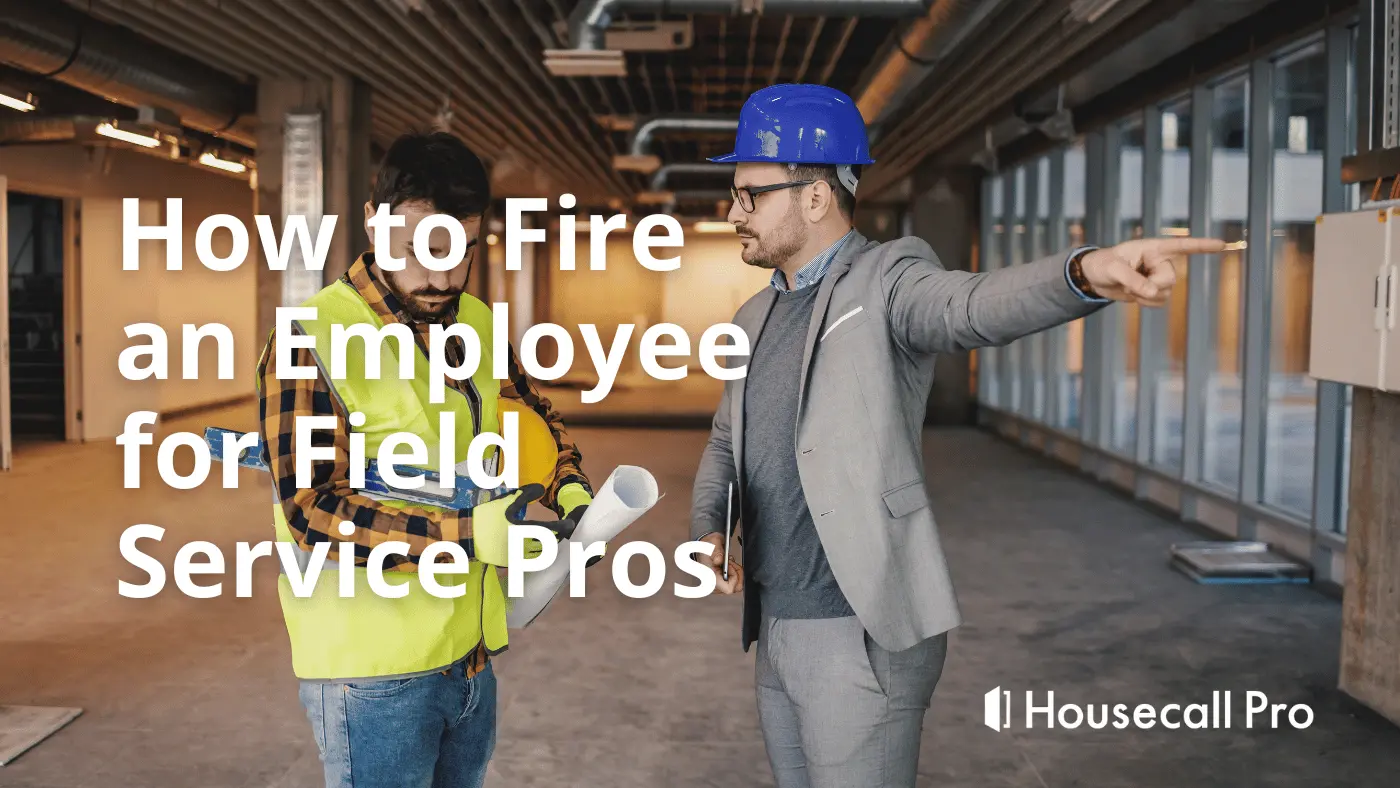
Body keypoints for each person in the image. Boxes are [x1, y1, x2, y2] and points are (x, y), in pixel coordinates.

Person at [689, 84, 1224, 788]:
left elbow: (970, 306)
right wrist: (710, 525)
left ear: (814, 197)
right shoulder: (753, 318)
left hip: (858, 628)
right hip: (775, 623)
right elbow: (727, 440)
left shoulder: (887, 280)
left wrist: (1083, 274)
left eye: (750, 195)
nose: (734, 213)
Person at [254, 131, 593, 788]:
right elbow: (311, 510)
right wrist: (466, 537)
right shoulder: (311, 339)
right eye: (418, 251)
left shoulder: (475, 321)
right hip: (372, 675)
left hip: (470, 655)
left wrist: (569, 484)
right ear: (373, 222)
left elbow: (530, 411)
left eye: (460, 251)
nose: (441, 278)